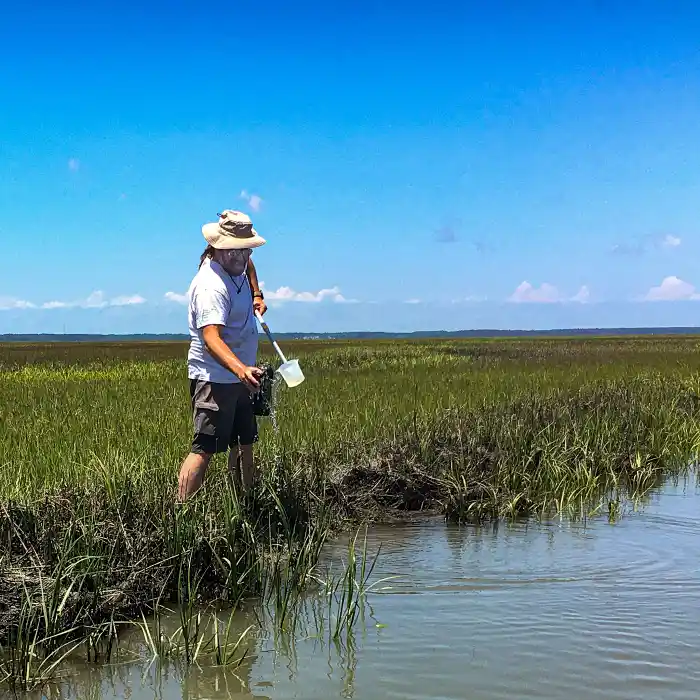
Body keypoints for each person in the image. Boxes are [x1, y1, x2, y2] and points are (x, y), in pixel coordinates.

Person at [177, 209, 268, 502]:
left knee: (245, 441)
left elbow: (249, 265)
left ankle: (245, 504)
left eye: (247, 251)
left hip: (243, 376)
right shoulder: (210, 286)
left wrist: (257, 294)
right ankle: (181, 515)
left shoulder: (238, 262)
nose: (243, 259)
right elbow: (210, 338)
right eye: (237, 252)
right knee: (204, 448)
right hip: (215, 378)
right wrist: (241, 370)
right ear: (219, 248)